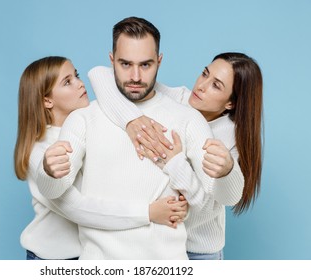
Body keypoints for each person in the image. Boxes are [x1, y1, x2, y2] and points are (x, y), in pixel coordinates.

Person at [36, 17, 217, 259]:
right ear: (111, 60)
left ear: (159, 61)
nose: (135, 76)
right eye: (125, 64)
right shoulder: (83, 119)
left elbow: (209, 206)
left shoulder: (188, 119)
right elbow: (54, 191)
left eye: (145, 65)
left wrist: (180, 175)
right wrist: (48, 171)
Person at [89, 52, 263, 259]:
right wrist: (131, 120)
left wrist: (177, 163)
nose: (201, 86)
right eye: (204, 74)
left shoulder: (228, 137)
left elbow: (220, 201)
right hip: (157, 244)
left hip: (197, 250)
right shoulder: (177, 99)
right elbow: (100, 75)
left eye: (216, 85)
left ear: (230, 103)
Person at [13, 56, 187, 260]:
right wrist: (149, 213)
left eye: (76, 75)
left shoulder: (87, 126)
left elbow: (101, 74)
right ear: (47, 100)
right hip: (54, 258)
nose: (80, 84)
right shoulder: (41, 153)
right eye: (67, 82)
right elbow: (77, 209)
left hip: (91, 255)